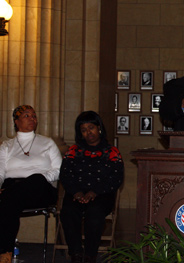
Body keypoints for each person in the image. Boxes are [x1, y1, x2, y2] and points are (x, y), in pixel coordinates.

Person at [0, 105, 62, 263]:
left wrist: (41, 178)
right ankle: (5, 255)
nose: (32, 119)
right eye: (26, 116)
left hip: (41, 188)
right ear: (16, 121)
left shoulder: (47, 143)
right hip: (11, 188)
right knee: (9, 201)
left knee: (33, 180)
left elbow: (58, 170)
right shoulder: (7, 146)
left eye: (34, 116)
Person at [60, 111, 124, 263]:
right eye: (84, 130)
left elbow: (116, 178)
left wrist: (95, 192)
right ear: (80, 133)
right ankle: (75, 254)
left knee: (94, 214)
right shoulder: (73, 151)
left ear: (99, 128)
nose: (88, 133)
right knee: (68, 212)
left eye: (91, 128)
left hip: (102, 194)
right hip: (76, 194)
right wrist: (76, 192)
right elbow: (65, 175)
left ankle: (90, 256)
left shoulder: (112, 152)